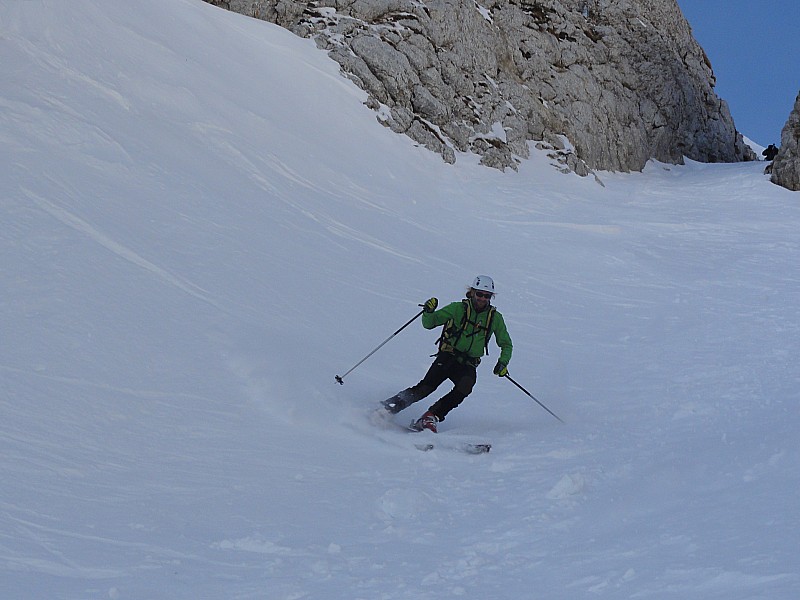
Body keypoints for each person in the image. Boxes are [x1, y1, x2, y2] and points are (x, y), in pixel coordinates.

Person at [381, 275, 513, 432]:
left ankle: (430, 417)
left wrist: (503, 362)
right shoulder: (457, 308)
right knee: (426, 387)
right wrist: (429, 312)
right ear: (472, 292)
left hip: (469, 362)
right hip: (448, 355)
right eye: (479, 294)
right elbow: (429, 324)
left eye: (487, 295)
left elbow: (506, 344)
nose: (483, 299)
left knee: (465, 386)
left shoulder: (495, 318)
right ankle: (388, 407)